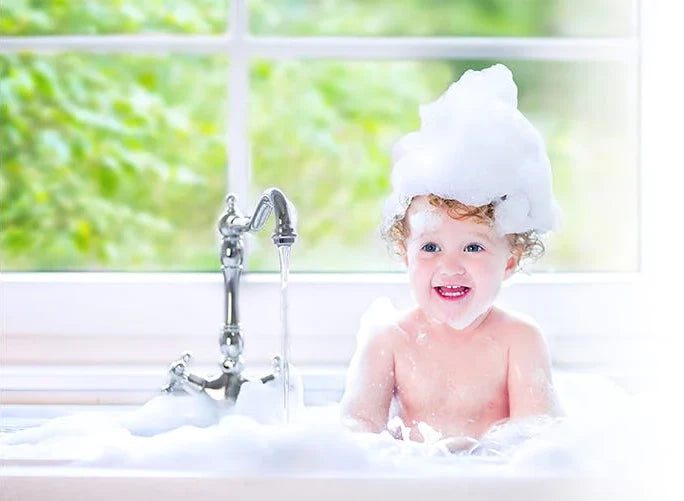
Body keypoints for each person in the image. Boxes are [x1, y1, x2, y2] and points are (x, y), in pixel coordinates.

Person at [340, 64, 564, 443]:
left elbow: (538, 445)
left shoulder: (518, 341)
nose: (450, 265)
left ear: (510, 260)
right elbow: (357, 437)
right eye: (430, 247)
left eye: (473, 247)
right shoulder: (389, 340)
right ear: (404, 252)